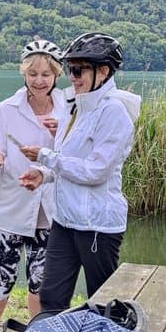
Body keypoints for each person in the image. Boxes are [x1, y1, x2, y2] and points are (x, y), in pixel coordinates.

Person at [19, 32, 140, 313]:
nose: (72, 77)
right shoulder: (76, 108)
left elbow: (96, 171)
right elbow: (68, 161)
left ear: (104, 71)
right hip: (65, 221)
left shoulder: (114, 113)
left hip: (97, 225)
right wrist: (43, 173)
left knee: (104, 302)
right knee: (50, 298)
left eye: (79, 70)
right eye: (70, 70)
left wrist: (45, 156)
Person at [0, 38, 68, 332]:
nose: (39, 81)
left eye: (45, 74)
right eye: (32, 74)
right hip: (9, 208)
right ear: (24, 75)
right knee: (5, 276)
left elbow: (69, 162)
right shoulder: (5, 111)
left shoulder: (68, 112)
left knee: (40, 280)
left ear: (57, 74)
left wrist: (43, 171)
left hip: (48, 211)